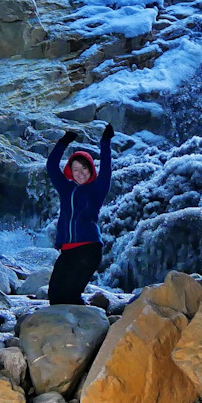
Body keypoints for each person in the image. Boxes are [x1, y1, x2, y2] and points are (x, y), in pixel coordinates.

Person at [45, 124, 114, 304]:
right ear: (70, 171)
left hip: (88, 249)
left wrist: (105, 142)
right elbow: (51, 166)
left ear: (91, 169)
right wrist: (63, 142)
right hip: (67, 250)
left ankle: (85, 326)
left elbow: (106, 170)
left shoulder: (97, 188)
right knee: (54, 296)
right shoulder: (65, 188)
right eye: (75, 169)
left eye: (84, 168)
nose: (80, 173)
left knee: (70, 296)